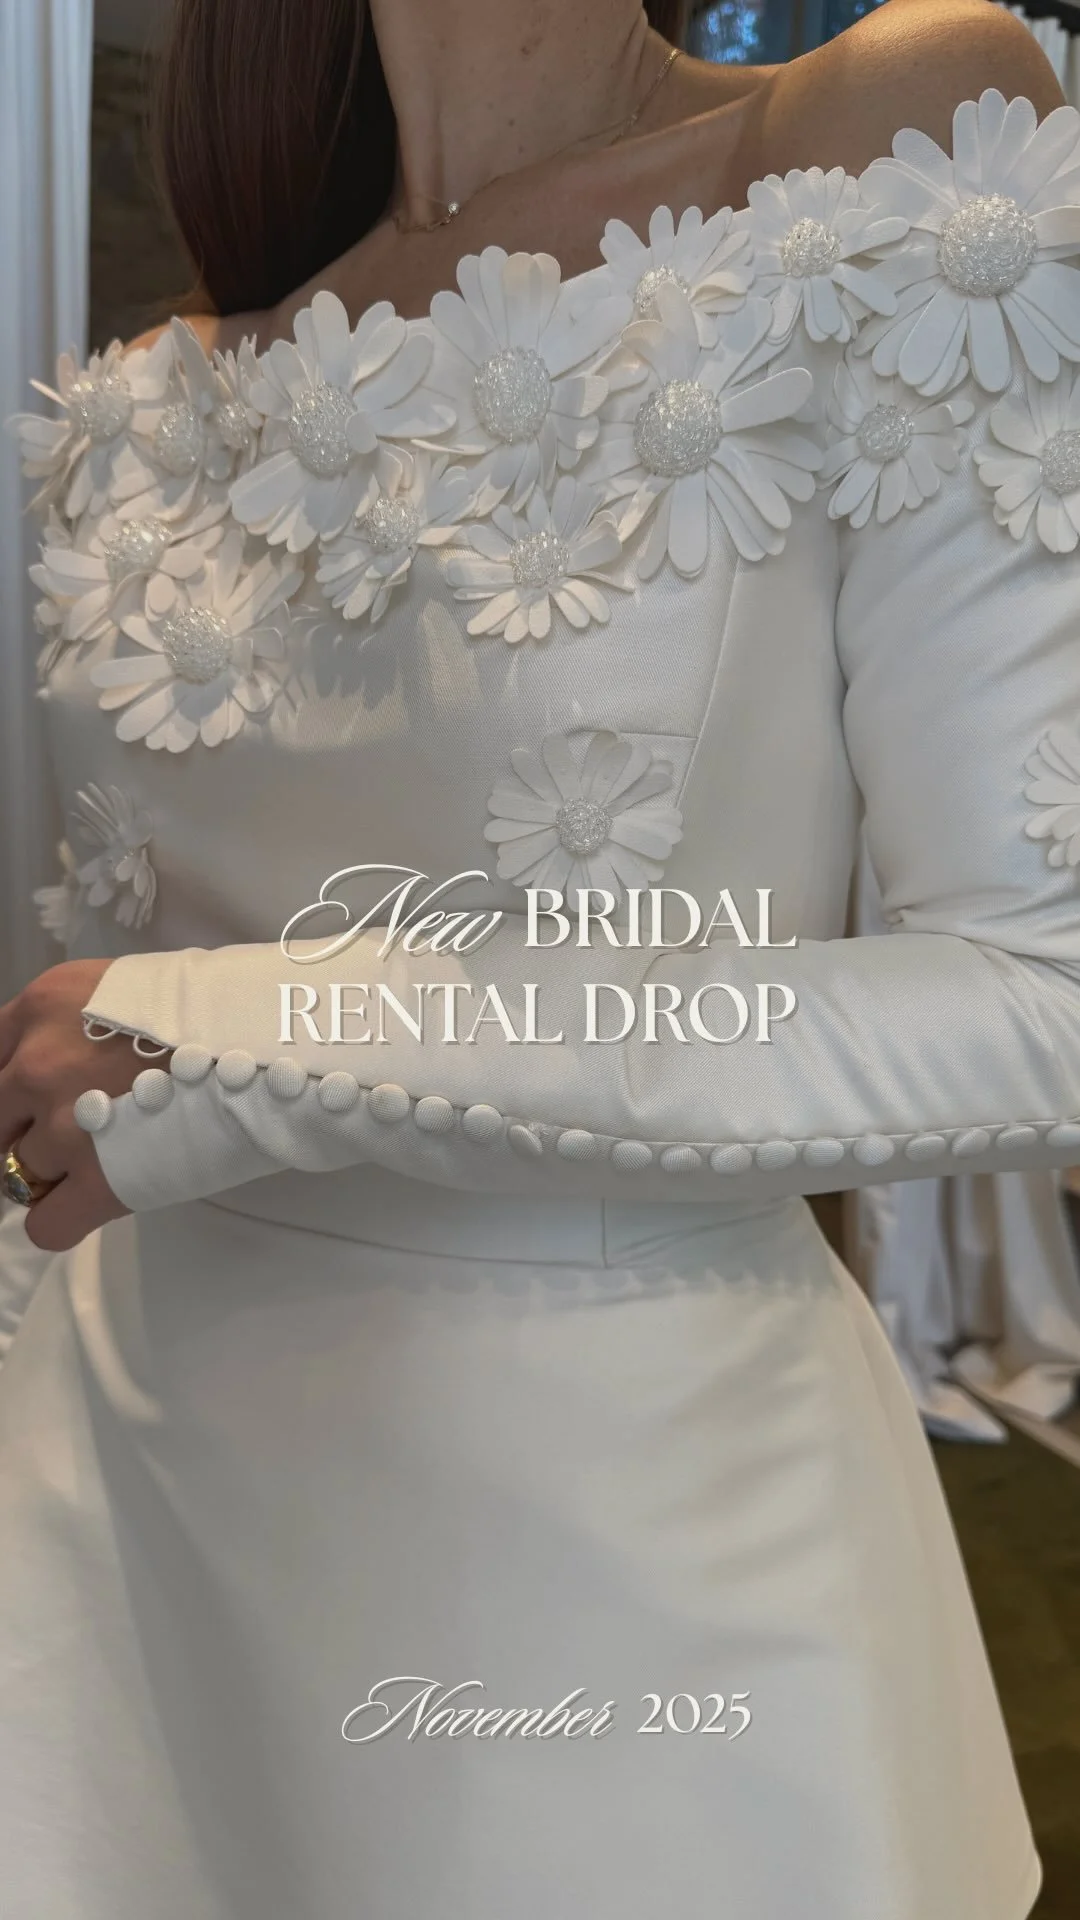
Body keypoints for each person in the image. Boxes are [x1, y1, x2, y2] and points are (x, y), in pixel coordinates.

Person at [1, 0, 1077, 1913]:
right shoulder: (171, 375)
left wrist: (242, 1047)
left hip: (605, 1551)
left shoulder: (880, 133)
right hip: (124, 1510)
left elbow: (1037, 999)